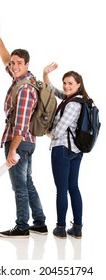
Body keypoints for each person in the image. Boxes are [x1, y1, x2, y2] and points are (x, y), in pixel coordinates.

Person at [0, 21, 47, 238]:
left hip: (19, 141)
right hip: (28, 142)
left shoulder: (24, 90)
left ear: (27, 64)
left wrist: (12, 150)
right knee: (28, 182)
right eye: (13, 63)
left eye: (18, 63)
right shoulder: (24, 79)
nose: (13, 66)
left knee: (20, 187)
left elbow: (21, 125)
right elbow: (6, 57)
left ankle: (22, 227)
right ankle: (39, 223)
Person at [43, 62, 88, 239]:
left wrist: (47, 132)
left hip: (62, 149)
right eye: (65, 83)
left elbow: (58, 131)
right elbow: (52, 89)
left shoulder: (72, 105)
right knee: (73, 187)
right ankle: (77, 228)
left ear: (79, 85)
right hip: (76, 151)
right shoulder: (74, 99)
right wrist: (45, 73)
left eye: (70, 83)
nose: (66, 86)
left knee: (61, 190)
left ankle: (60, 228)